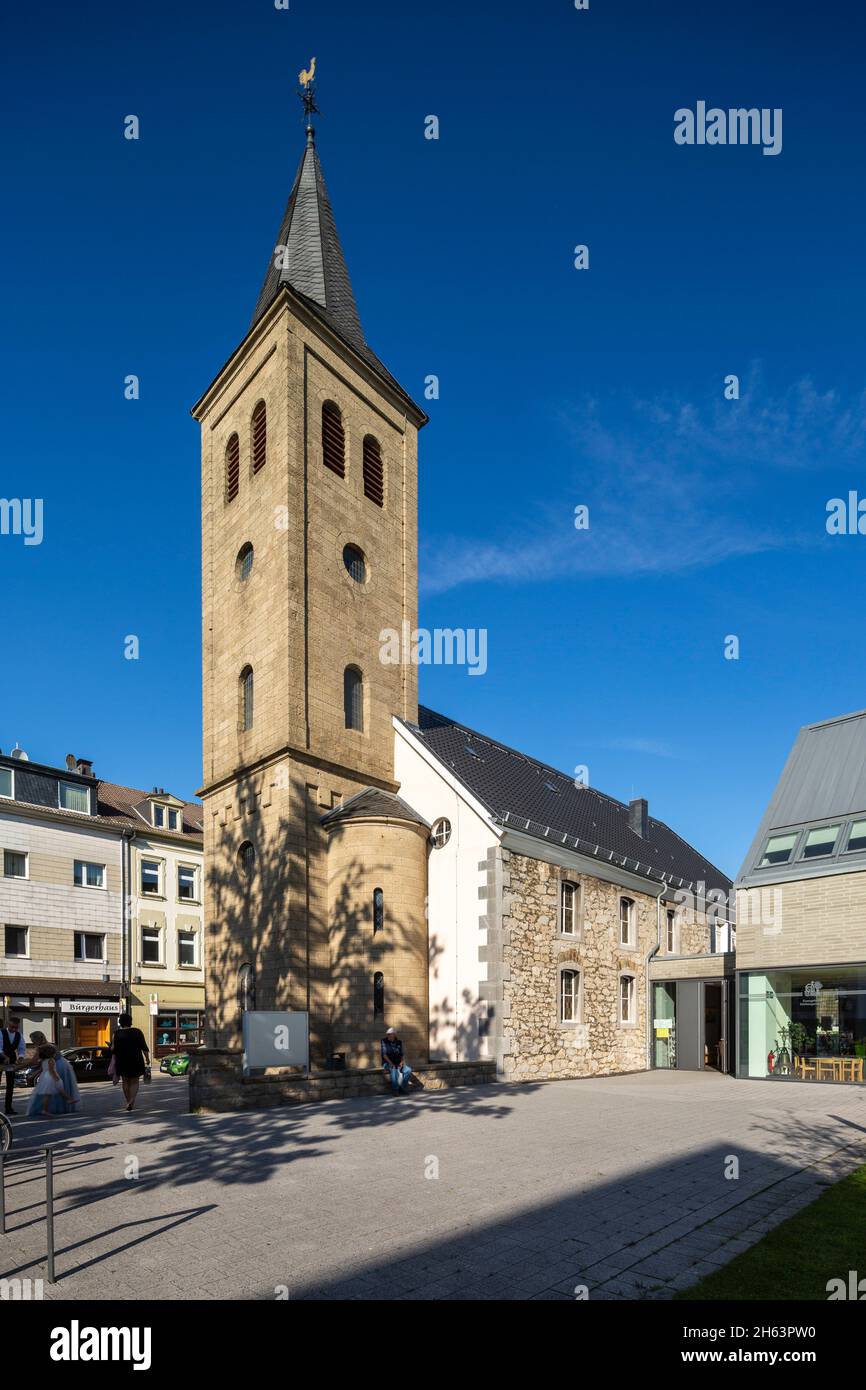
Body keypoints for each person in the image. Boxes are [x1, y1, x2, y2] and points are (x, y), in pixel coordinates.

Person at [109, 1014, 150, 1112]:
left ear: (120, 1022)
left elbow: (113, 1049)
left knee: (125, 1081)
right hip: (136, 1060)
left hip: (122, 1060)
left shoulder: (116, 1033)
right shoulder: (137, 1032)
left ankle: (128, 1102)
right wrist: (147, 1059)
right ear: (130, 1021)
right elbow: (143, 1047)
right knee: (135, 1081)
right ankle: (131, 1101)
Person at [28, 1045, 72, 1117]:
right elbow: (52, 1071)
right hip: (50, 1077)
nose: (55, 1054)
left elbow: (41, 1069)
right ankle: (45, 1110)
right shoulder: (51, 1060)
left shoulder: (43, 1060)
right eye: (54, 1053)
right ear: (51, 1053)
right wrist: (56, 1077)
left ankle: (69, 1099)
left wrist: (33, 1075)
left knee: (55, 1091)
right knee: (50, 1093)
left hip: (44, 1076)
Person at [2, 1017, 26, 1115]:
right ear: (8, 1024)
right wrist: (4, 1056)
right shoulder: (1, 1032)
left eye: (16, 1028)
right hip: (0, 1059)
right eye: (12, 1027)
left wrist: (20, 1057)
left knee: (10, 1085)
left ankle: (8, 1108)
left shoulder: (19, 1035)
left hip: (11, 1061)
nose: (14, 1029)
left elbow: (21, 1049)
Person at [381, 1026, 412, 1095]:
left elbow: (401, 1054)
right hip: (387, 1063)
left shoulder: (399, 1042)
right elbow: (384, 1055)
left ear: (394, 1034)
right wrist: (391, 1063)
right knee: (394, 1069)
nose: (388, 1035)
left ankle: (402, 1087)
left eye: (390, 1034)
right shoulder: (384, 1041)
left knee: (408, 1070)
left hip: (398, 1062)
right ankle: (395, 1089)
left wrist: (401, 1062)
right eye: (387, 1034)